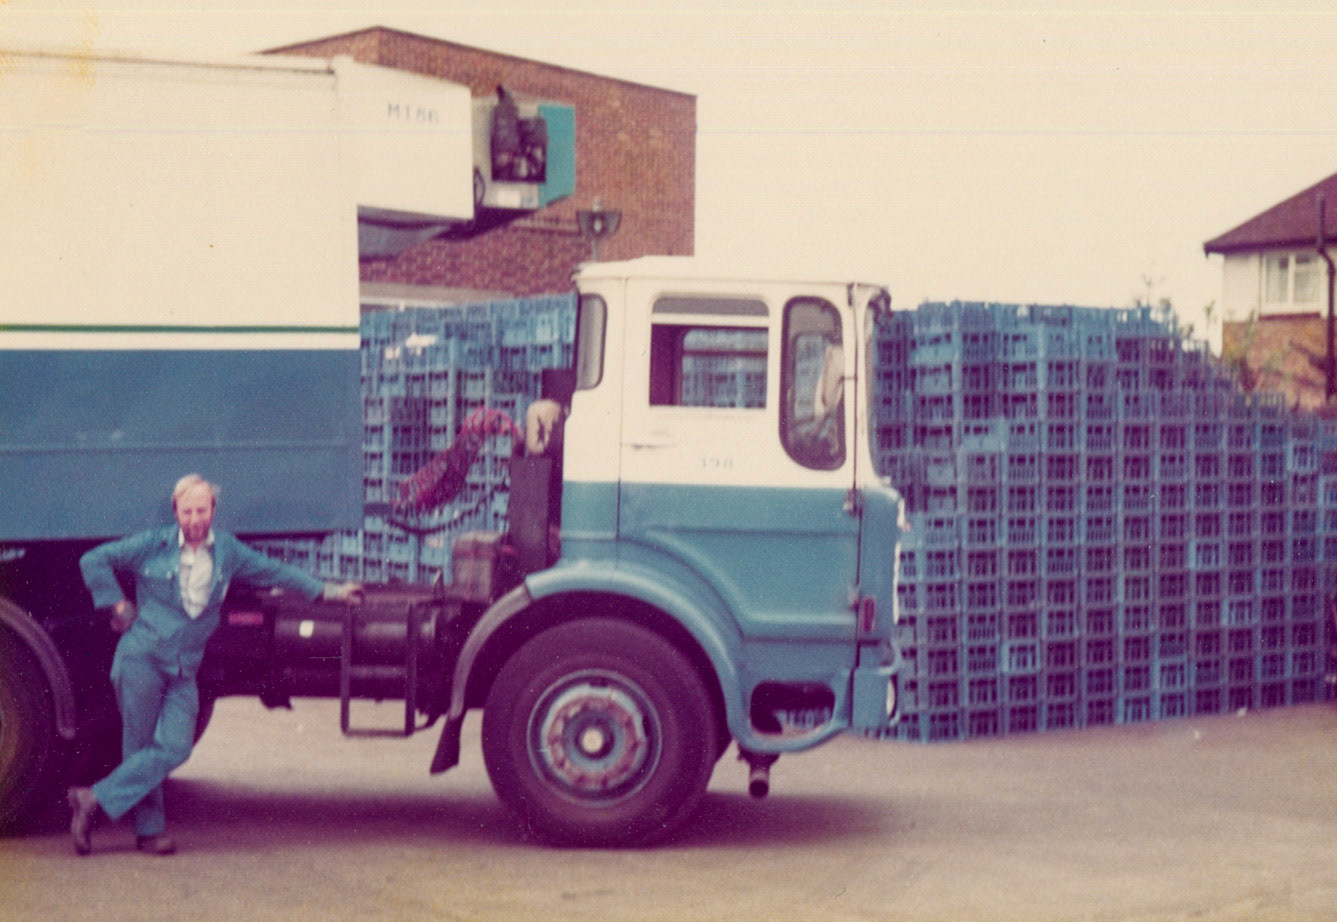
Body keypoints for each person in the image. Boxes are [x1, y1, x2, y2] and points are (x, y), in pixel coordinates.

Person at [67, 474, 362, 856]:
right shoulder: (152, 545)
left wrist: (329, 591)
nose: (194, 519)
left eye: (202, 510)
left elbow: (274, 571)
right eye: (187, 511)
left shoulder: (227, 551)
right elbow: (94, 560)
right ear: (176, 511)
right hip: (141, 658)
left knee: (174, 746)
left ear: (213, 511)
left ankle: (92, 799)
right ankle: (149, 831)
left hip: (183, 669)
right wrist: (118, 604)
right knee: (139, 746)